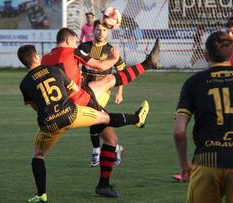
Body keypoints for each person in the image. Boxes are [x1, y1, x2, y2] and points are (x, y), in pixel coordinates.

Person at [18, 45, 150, 203]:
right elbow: (74, 89)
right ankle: (137, 119)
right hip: (71, 114)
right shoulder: (53, 70)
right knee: (104, 117)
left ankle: (41, 195)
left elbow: (35, 106)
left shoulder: (24, 84)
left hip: (49, 124)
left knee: (38, 155)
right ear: (36, 56)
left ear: (23, 62)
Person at [41, 27, 160, 197]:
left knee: (111, 139)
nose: (76, 44)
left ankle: (103, 185)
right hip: (78, 99)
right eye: (75, 41)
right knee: (109, 85)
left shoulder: (46, 58)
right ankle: (138, 115)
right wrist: (114, 59)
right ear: (68, 41)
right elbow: (101, 65)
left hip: (61, 105)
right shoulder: (72, 51)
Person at [174, 31, 233, 202]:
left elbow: (179, 132)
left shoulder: (194, 82)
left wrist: (184, 165)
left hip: (207, 161)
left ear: (205, 55)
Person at [79, 20, 126, 167]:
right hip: (86, 89)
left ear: (108, 32)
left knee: (92, 117)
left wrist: (119, 92)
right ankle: (116, 147)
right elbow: (76, 66)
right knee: (97, 118)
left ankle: (96, 151)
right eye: (99, 30)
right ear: (93, 30)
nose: (101, 33)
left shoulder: (111, 51)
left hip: (103, 91)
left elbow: (122, 72)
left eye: (104, 30)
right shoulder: (84, 47)